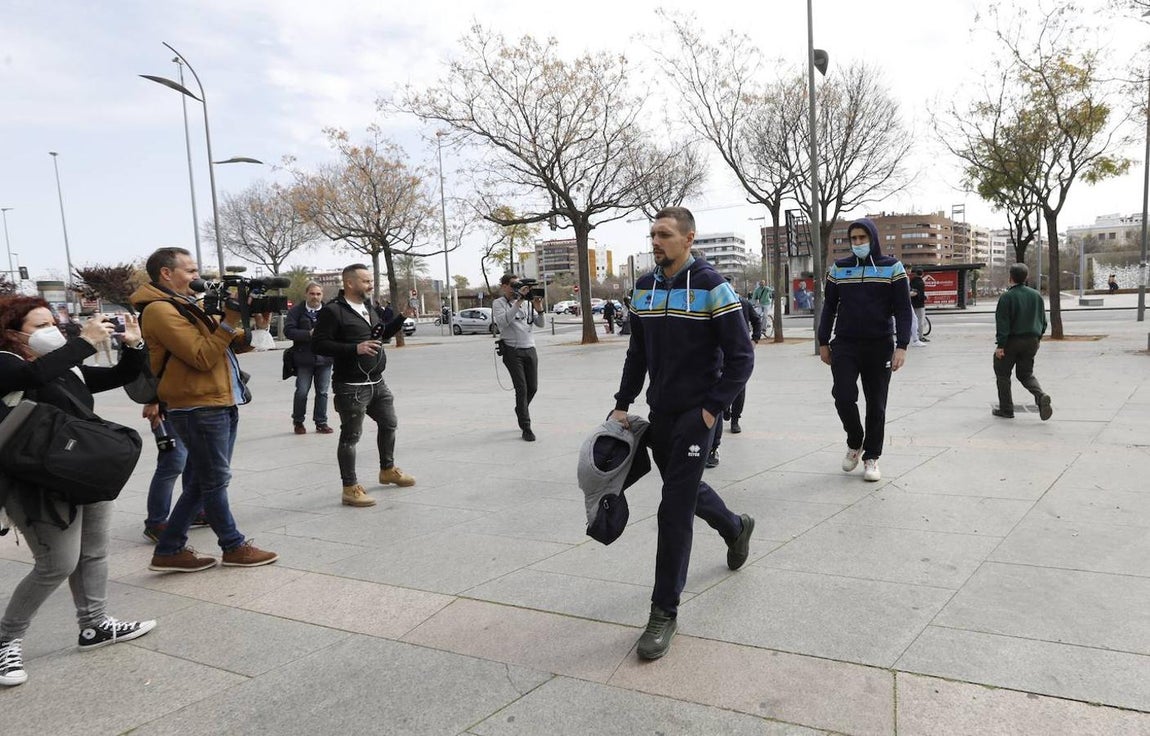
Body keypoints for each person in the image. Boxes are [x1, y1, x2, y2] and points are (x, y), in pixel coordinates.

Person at [611, 206, 755, 661]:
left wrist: (713, 411)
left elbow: (742, 357)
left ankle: (663, 613)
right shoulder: (644, 288)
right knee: (686, 489)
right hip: (660, 415)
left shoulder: (714, 286)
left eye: (665, 235)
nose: (656, 242)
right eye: (652, 234)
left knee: (672, 508)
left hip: (698, 417)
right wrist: (622, 403)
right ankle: (735, 527)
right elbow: (637, 352)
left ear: (689, 239)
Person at [0, 297, 156, 687]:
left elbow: (116, 376)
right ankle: (6, 638)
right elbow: (30, 380)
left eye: (54, 322)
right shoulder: (6, 361)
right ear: (12, 331)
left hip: (85, 467)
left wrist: (134, 345)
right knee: (56, 563)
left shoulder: (64, 367)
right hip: (37, 479)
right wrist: (84, 342)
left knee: (93, 553)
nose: (51, 330)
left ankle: (95, 625)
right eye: (39, 326)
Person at [132, 247, 278, 572]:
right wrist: (228, 320)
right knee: (215, 481)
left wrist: (256, 328)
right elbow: (201, 355)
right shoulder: (159, 310)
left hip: (218, 399)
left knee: (201, 481)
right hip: (196, 405)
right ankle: (233, 545)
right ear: (166, 274)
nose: (197, 277)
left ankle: (169, 549)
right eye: (191, 271)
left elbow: (223, 343)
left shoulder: (186, 305)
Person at [818, 217, 913, 483]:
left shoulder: (892, 268)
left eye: (862, 238)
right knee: (843, 395)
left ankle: (871, 457)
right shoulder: (838, 269)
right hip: (845, 344)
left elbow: (904, 310)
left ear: (873, 238)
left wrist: (902, 346)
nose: (858, 243)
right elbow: (829, 308)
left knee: (876, 404)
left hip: (879, 345)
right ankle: (855, 441)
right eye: (854, 239)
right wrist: (823, 341)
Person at [312, 264, 414, 508]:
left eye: (370, 281)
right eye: (366, 281)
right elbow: (319, 344)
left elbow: (380, 335)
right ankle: (350, 487)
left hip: (377, 382)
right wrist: (353, 348)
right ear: (350, 283)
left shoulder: (369, 307)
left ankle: (387, 470)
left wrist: (402, 316)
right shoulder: (333, 311)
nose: (371, 285)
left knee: (389, 424)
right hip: (351, 386)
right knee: (351, 436)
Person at [706, 280, 762, 467]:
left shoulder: (743, 303)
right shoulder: (713, 301)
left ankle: (734, 419)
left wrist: (754, 339)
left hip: (737, 352)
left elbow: (756, 320)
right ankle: (725, 412)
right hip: (717, 354)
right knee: (718, 394)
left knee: (737, 388)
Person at [993, 263, 1052, 420]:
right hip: (1032, 341)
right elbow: (1043, 321)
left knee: (1003, 373)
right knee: (1026, 374)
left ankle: (1007, 409)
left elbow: (1003, 323)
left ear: (1010, 277)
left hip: (1012, 341)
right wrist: (1038, 337)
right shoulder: (1036, 295)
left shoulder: (1007, 297)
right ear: (1026, 278)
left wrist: (1000, 345)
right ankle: (1040, 396)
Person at [493, 273, 545, 441]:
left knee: (533, 387)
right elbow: (503, 322)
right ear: (504, 286)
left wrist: (539, 309)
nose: (517, 287)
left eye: (519, 284)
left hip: (530, 348)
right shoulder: (499, 303)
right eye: (513, 284)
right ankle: (526, 427)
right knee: (521, 389)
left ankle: (520, 409)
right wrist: (519, 301)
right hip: (512, 350)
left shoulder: (526, 303)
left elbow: (540, 323)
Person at [284, 282, 334, 435]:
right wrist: (308, 334)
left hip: (325, 359)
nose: (315, 297)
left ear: (322, 295)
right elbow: (288, 331)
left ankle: (321, 422)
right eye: (312, 294)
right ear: (306, 294)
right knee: (302, 391)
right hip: (304, 359)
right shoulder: (296, 311)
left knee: (323, 392)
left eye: (318, 294)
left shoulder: (329, 311)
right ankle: (298, 421)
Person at [909, 268, 928, 345]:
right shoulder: (921, 283)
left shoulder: (911, 281)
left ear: (916, 274)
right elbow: (921, 293)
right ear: (922, 274)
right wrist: (924, 297)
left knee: (913, 320)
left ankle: (912, 334)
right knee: (920, 320)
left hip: (912, 303)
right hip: (920, 304)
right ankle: (920, 336)